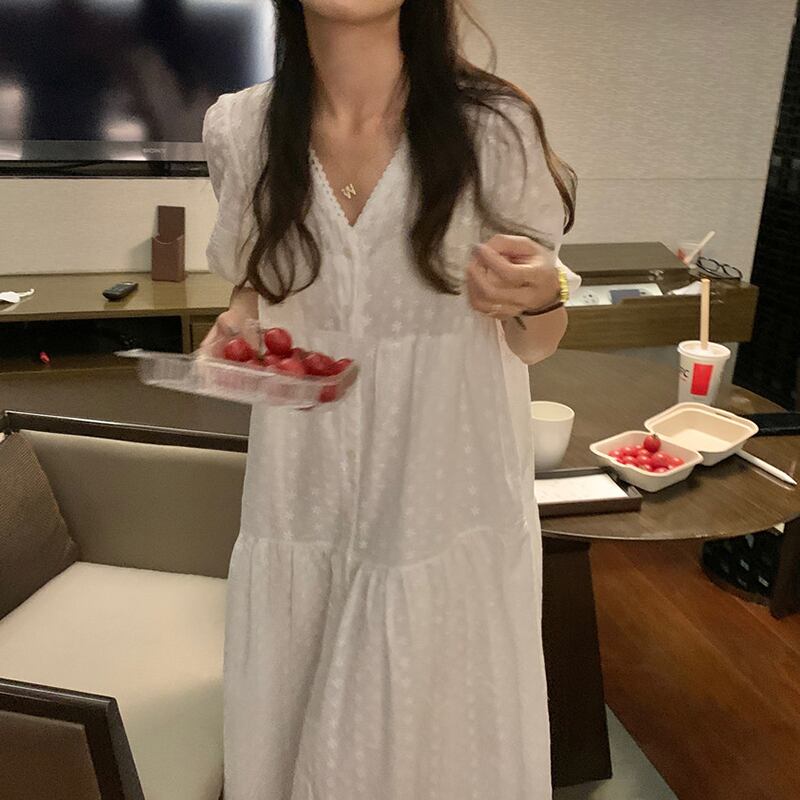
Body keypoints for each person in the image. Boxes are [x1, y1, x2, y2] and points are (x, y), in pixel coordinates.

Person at [202, 1, 578, 797]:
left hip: (442, 511)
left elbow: (535, 342)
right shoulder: (241, 132)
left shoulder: (493, 129)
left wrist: (541, 296)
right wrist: (238, 327)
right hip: (301, 503)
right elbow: (255, 287)